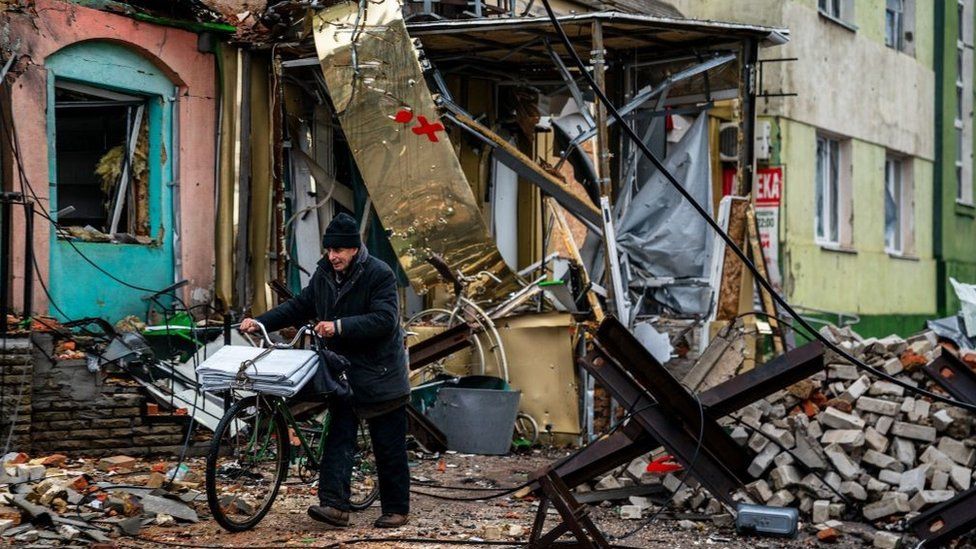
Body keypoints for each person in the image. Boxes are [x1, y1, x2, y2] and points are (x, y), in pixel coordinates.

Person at [239, 212, 411, 528]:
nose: (332, 256)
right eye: (329, 250)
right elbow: (299, 306)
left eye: (339, 251)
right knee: (339, 437)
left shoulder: (379, 274)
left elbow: (385, 320)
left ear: (355, 249)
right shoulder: (324, 275)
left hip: (380, 372)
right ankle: (334, 506)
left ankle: (396, 509)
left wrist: (339, 326)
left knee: (388, 444)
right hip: (343, 372)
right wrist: (261, 321)